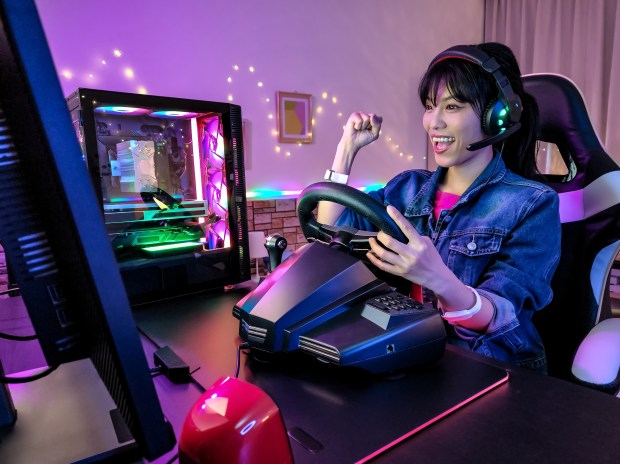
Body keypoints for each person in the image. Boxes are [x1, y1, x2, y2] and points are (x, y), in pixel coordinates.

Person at [317, 42, 561, 372]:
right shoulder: (406, 188)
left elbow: (502, 316)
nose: (434, 122)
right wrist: (345, 150)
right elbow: (329, 232)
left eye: (453, 106)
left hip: (489, 370)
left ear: (495, 117)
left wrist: (439, 279)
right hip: (406, 357)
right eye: (431, 106)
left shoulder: (531, 204)